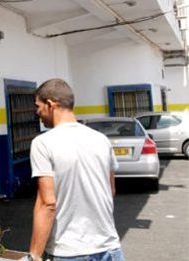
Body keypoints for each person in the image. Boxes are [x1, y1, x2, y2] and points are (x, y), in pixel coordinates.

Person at [26, 79, 124, 261]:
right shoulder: (101, 139)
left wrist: (34, 256)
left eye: (38, 106)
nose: (37, 112)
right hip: (110, 249)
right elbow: (110, 190)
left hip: (69, 253)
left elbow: (47, 204)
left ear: (50, 104)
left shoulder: (42, 143)